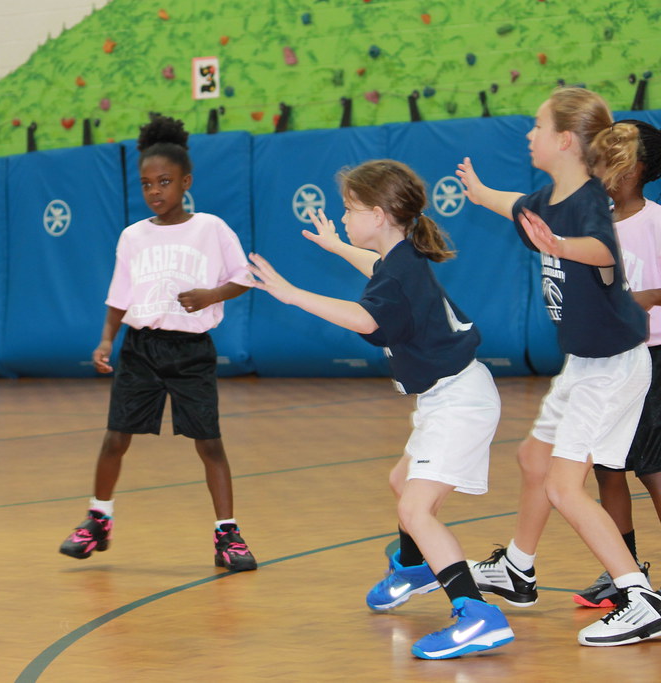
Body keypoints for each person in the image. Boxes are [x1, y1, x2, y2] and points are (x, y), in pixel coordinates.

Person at [249, 159, 513, 660]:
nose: (342, 217)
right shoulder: (401, 257)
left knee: (415, 509)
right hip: (448, 396)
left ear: (377, 215)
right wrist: (336, 246)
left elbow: (365, 319)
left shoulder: (398, 274)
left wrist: (293, 295)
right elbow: (376, 270)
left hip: (460, 401)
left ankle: (477, 614)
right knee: (401, 482)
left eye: (349, 210)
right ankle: (414, 568)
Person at [457, 87, 661, 647]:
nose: (530, 134)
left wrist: (564, 246)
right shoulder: (553, 197)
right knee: (533, 459)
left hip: (613, 364)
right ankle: (517, 568)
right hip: (586, 362)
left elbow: (603, 249)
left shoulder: (592, 201)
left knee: (565, 487)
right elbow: (517, 205)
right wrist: (481, 194)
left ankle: (639, 598)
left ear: (565, 140)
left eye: (538, 126)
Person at [58, 115, 257, 572]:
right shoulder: (133, 236)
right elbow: (120, 296)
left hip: (191, 352)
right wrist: (106, 340)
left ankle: (227, 534)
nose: (154, 191)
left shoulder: (210, 228)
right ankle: (98, 520)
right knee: (115, 437)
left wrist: (211, 295)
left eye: (165, 182)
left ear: (186, 182)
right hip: (140, 349)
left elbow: (244, 277)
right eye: (146, 184)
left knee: (209, 444)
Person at [571, 119, 661, 608]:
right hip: (608, 360)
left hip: (652, 356)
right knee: (608, 468)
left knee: (653, 467)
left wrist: (647, 297)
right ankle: (624, 573)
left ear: (638, 167)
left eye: (616, 160)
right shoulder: (595, 226)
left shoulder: (656, 222)